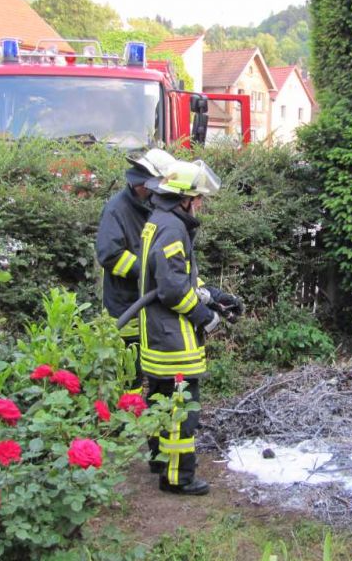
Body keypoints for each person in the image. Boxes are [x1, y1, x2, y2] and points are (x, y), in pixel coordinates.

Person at [138, 158, 242, 496]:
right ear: (182, 197)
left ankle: (159, 461)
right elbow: (171, 289)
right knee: (183, 410)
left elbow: (177, 277)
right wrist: (205, 317)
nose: (200, 204)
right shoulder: (172, 228)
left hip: (156, 333)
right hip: (173, 338)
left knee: (161, 400)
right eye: (197, 198)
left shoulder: (161, 219)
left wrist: (213, 296)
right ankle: (179, 478)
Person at [94, 148, 175, 394]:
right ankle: (129, 420)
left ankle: (147, 415)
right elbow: (110, 254)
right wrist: (149, 270)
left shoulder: (150, 206)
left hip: (149, 305)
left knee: (155, 367)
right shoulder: (117, 209)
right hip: (125, 306)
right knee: (130, 373)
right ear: (145, 184)